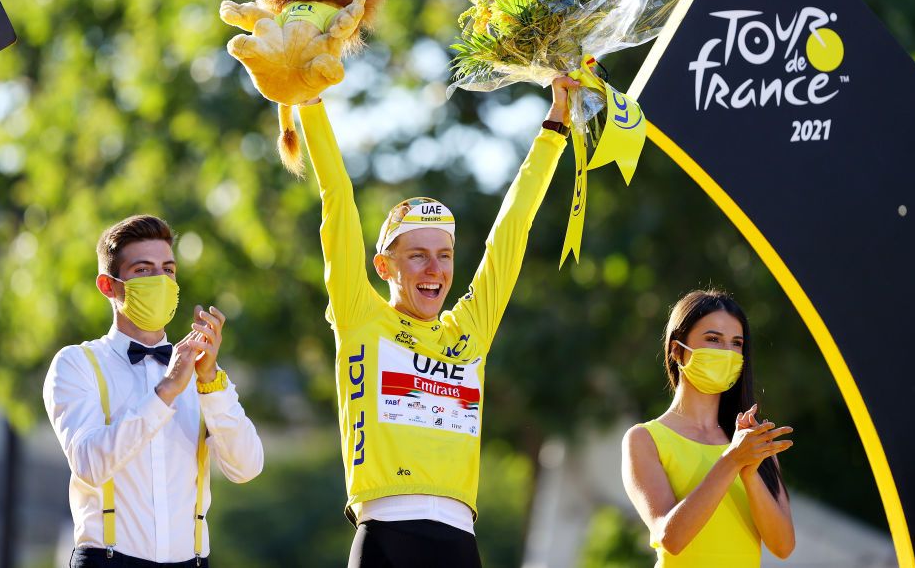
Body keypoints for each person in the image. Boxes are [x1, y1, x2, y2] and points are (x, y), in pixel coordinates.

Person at [293, 76, 578, 568]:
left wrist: (554, 128)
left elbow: (513, 228)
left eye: (444, 256)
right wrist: (310, 102)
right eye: (418, 256)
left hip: (459, 538)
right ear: (384, 267)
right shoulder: (361, 316)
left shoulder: (468, 330)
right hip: (384, 532)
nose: (434, 271)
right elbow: (336, 199)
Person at [43, 215, 264, 567]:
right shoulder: (76, 364)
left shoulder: (202, 372)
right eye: (143, 270)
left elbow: (247, 467)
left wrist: (211, 385)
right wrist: (165, 392)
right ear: (108, 286)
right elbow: (89, 464)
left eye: (169, 270)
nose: (160, 281)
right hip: (108, 560)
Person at [621, 289, 795, 566]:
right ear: (677, 350)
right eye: (713, 339)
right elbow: (671, 538)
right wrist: (732, 461)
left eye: (736, 343)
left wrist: (749, 473)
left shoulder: (753, 442)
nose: (727, 353)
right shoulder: (645, 439)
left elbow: (783, 546)